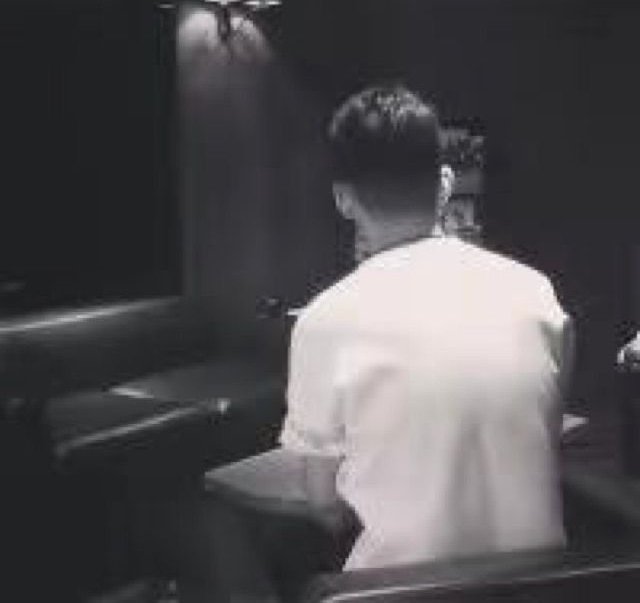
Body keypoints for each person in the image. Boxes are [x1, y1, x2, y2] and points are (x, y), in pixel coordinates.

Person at [201, 85, 574, 601]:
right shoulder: (536, 292)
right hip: (549, 591)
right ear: (445, 184)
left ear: (342, 198)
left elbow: (325, 506)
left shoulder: (326, 319)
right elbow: (540, 437)